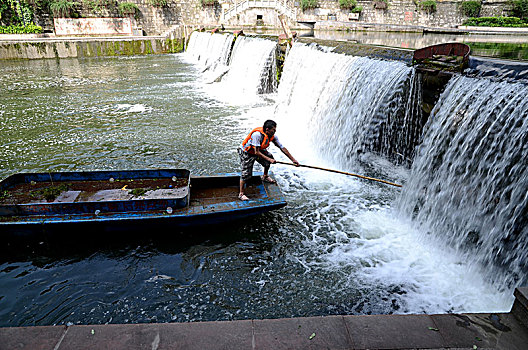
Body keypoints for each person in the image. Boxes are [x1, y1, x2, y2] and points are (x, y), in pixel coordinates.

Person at [238, 120, 299, 201]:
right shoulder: (257, 135)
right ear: (267, 130)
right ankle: (241, 193)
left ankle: (265, 176)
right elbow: (256, 152)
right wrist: (269, 159)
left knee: (267, 161)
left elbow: (282, 148)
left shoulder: (272, 136)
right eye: (273, 130)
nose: (275, 131)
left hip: (258, 150)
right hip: (247, 152)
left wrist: (293, 160)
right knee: (246, 174)